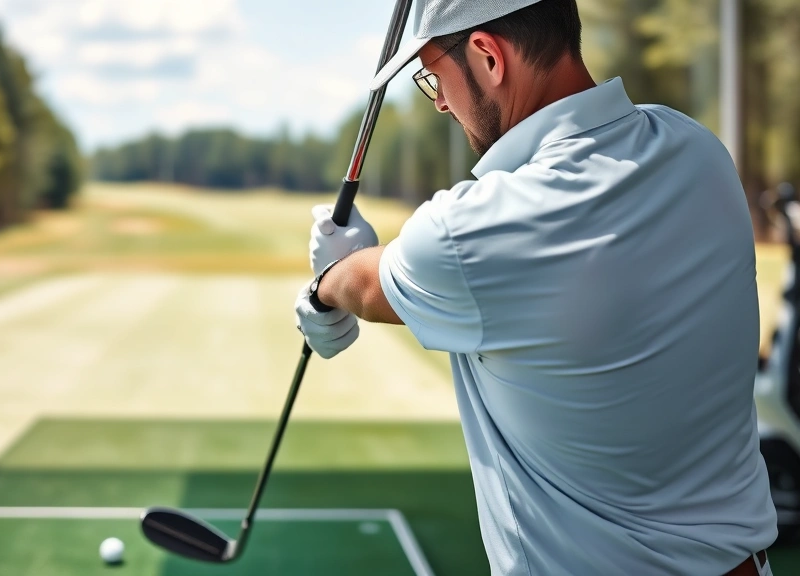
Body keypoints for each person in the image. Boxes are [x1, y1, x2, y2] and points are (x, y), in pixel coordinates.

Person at [294, 0, 778, 574]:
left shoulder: (471, 229)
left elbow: (366, 286)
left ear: (488, 56)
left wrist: (325, 285)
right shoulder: (696, 148)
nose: (441, 101)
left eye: (433, 76)